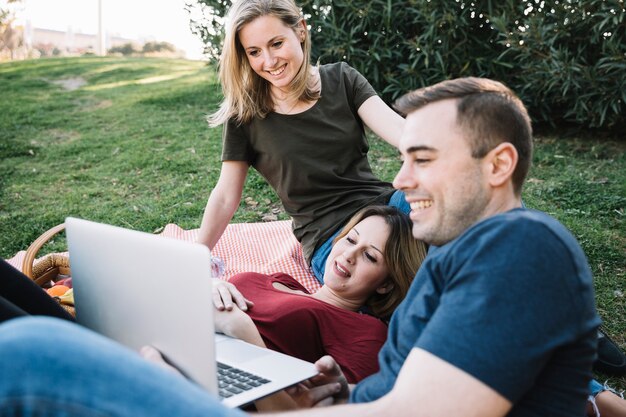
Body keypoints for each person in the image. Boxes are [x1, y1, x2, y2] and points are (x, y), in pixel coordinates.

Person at [1, 78, 624, 417]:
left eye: (422, 160)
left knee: (32, 351)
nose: (400, 180)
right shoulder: (456, 267)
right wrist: (341, 392)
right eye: (402, 160)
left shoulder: (521, 243)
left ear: (498, 167)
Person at [196, 0, 408, 283]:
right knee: (390, 287)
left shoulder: (342, 79)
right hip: (330, 236)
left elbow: (402, 132)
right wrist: (197, 255)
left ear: (301, 31)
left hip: (385, 206)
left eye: (276, 43)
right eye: (254, 52)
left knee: (453, 217)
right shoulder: (244, 114)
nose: (269, 62)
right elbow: (225, 196)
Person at [212, 206, 427, 386]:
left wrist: (242, 331)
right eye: (351, 240)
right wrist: (211, 286)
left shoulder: (366, 332)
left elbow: (336, 406)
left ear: (386, 285)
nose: (349, 255)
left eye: (369, 256)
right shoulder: (285, 280)